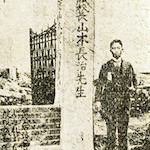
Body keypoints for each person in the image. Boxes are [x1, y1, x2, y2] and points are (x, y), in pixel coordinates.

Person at [94, 39, 137, 150]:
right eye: (114, 48)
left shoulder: (128, 65)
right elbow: (99, 84)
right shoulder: (105, 66)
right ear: (110, 50)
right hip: (110, 104)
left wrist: (133, 88)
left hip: (124, 104)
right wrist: (97, 100)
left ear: (122, 49)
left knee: (123, 132)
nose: (116, 50)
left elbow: (134, 81)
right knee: (111, 133)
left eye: (118, 48)